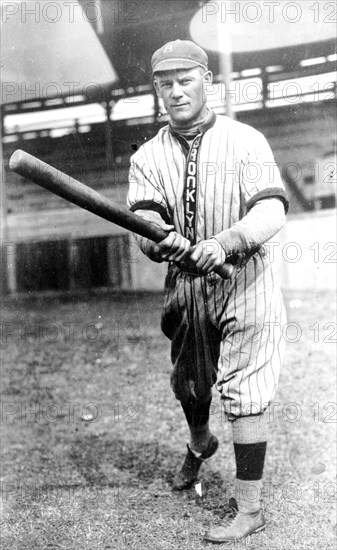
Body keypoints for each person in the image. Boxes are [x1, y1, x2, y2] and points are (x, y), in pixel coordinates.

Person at [127, 39, 288, 543]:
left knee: (246, 390)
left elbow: (272, 210)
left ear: (207, 81)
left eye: (185, 81)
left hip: (246, 278)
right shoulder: (148, 155)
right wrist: (158, 237)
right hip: (188, 287)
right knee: (191, 384)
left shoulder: (246, 140)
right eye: (165, 84)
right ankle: (200, 442)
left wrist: (226, 241)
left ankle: (251, 508)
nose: (175, 93)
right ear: (156, 89)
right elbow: (143, 217)